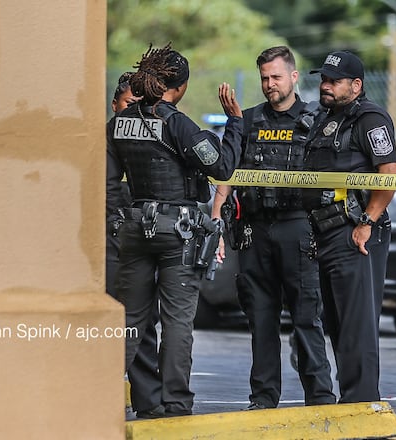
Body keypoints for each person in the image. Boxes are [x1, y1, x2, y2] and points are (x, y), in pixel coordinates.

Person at [107, 43, 242, 418]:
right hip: (177, 233)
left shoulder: (118, 122)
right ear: (178, 87)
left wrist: (119, 221)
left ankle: (96, 393)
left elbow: (107, 181)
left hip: (133, 228)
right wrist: (235, 123)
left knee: (130, 318)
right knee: (177, 320)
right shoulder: (176, 122)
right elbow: (222, 167)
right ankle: (176, 404)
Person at [210, 46, 335, 410]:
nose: (269, 84)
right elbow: (228, 173)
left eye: (276, 77)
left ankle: (321, 398)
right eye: (264, 78)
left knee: (306, 318)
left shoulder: (317, 119)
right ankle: (263, 398)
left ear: (294, 77)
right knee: (261, 319)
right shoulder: (247, 121)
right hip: (255, 231)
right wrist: (218, 216)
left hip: (298, 228)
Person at [303, 50, 396, 403]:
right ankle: (351, 405)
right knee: (340, 326)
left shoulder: (370, 119)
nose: (325, 86)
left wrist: (367, 222)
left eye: (334, 81)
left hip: (355, 234)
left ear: (356, 85)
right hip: (326, 232)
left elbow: (390, 174)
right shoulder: (325, 117)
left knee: (357, 328)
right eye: (323, 80)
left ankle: (361, 405)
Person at [105, 72, 164, 419]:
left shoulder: (151, 138)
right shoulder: (109, 136)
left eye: (141, 105)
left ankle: (148, 400)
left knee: (144, 318)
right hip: (111, 236)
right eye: (129, 105)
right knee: (119, 316)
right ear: (115, 106)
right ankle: (105, 391)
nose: (134, 114)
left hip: (140, 236)